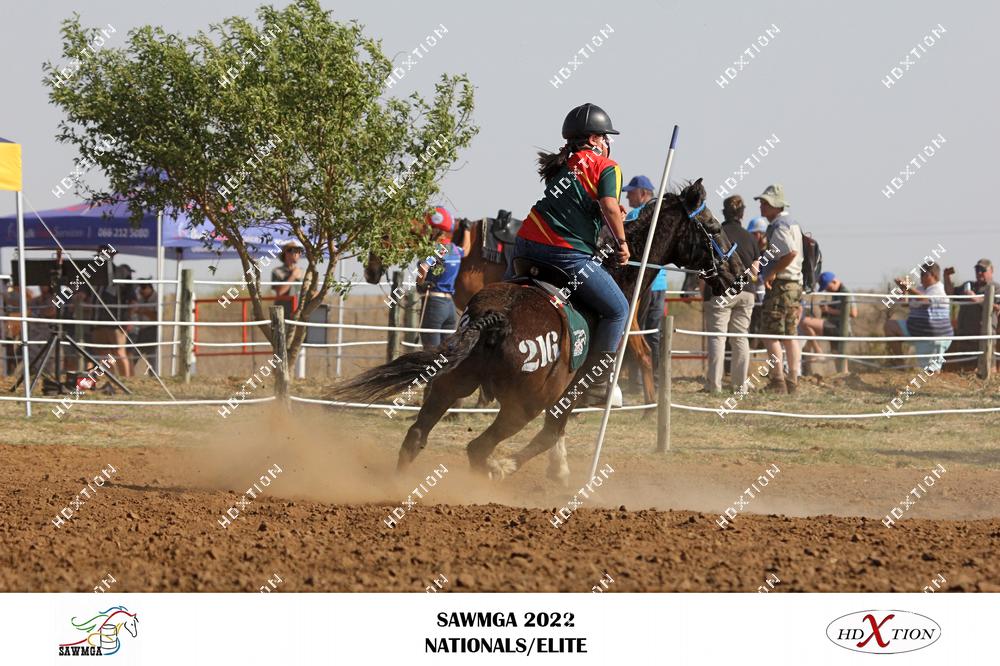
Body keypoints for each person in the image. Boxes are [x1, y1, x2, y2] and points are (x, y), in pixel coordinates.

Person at [509, 103, 630, 404]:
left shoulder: (561, 165)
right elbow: (609, 206)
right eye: (604, 137)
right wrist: (622, 242)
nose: (607, 142)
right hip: (565, 254)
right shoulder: (608, 167)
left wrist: (604, 212)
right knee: (618, 310)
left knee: (504, 299)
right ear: (593, 139)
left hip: (525, 245)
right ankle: (597, 384)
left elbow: (578, 205)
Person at [702, 196, 759, 393]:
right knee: (740, 338)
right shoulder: (750, 237)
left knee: (718, 337)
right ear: (742, 213)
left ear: (724, 212)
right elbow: (755, 271)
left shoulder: (715, 234)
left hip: (721, 291)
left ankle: (714, 385)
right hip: (746, 291)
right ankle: (740, 386)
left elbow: (706, 265)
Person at [755, 184, 803, 393]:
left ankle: (777, 380)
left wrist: (772, 272)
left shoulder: (779, 225)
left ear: (776, 205)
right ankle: (793, 379)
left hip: (781, 286)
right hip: (794, 284)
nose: (761, 206)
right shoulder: (793, 223)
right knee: (790, 334)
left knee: (770, 333)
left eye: (765, 203)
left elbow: (790, 253)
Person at [623, 175, 667, 367]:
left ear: (642, 193)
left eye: (631, 193)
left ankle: (637, 376)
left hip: (641, 284)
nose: (627, 197)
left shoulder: (635, 216)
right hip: (660, 282)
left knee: (636, 331)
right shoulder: (662, 217)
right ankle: (656, 374)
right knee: (654, 332)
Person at [418, 207, 471, 348]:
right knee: (446, 353)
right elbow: (466, 250)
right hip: (450, 307)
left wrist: (420, 282)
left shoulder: (438, 250)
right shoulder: (454, 249)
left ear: (435, 230)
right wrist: (467, 230)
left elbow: (423, 267)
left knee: (430, 352)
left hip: (434, 305)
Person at [884, 262, 953, 367]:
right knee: (890, 326)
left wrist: (908, 287)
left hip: (934, 335)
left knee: (930, 370)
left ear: (933, 275)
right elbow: (905, 303)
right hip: (915, 330)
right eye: (921, 273)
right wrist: (904, 289)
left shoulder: (938, 289)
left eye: (924, 274)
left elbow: (925, 300)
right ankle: (899, 363)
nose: (921, 276)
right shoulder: (921, 289)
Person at [942, 259, 1000, 368]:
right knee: (964, 369)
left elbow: (997, 308)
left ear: (991, 270)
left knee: (987, 368)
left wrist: (976, 299)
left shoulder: (996, 288)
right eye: (977, 269)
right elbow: (950, 293)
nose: (979, 272)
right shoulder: (968, 285)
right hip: (965, 337)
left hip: (984, 338)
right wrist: (946, 276)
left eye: (982, 270)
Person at [798, 271, 856, 374]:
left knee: (805, 322)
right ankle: (844, 375)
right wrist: (827, 309)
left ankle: (818, 352)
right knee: (837, 353)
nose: (827, 290)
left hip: (840, 327)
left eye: (827, 287)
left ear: (833, 282)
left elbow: (853, 313)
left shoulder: (846, 292)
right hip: (835, 325)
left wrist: (829, 310)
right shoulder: (837, 293)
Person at [90, 254, 135, 377]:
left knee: (119, 352)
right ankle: (111, 378)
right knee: (102, 352)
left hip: (116, 321)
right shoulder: (93, 273)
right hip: (97, 320)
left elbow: (132, 299)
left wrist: (128, 319)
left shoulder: (122, 273)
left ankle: (125, 380)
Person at [132, 280, 158, 374]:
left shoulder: (157, 299)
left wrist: (144, 311)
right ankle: (128, 375)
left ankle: (154, 376)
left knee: (152, 357)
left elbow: (157, 318)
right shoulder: (140, 299)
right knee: (133, 355)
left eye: (143, 287)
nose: (141, 291)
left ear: (149, 287)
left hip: (152, 331)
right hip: (140, 331)